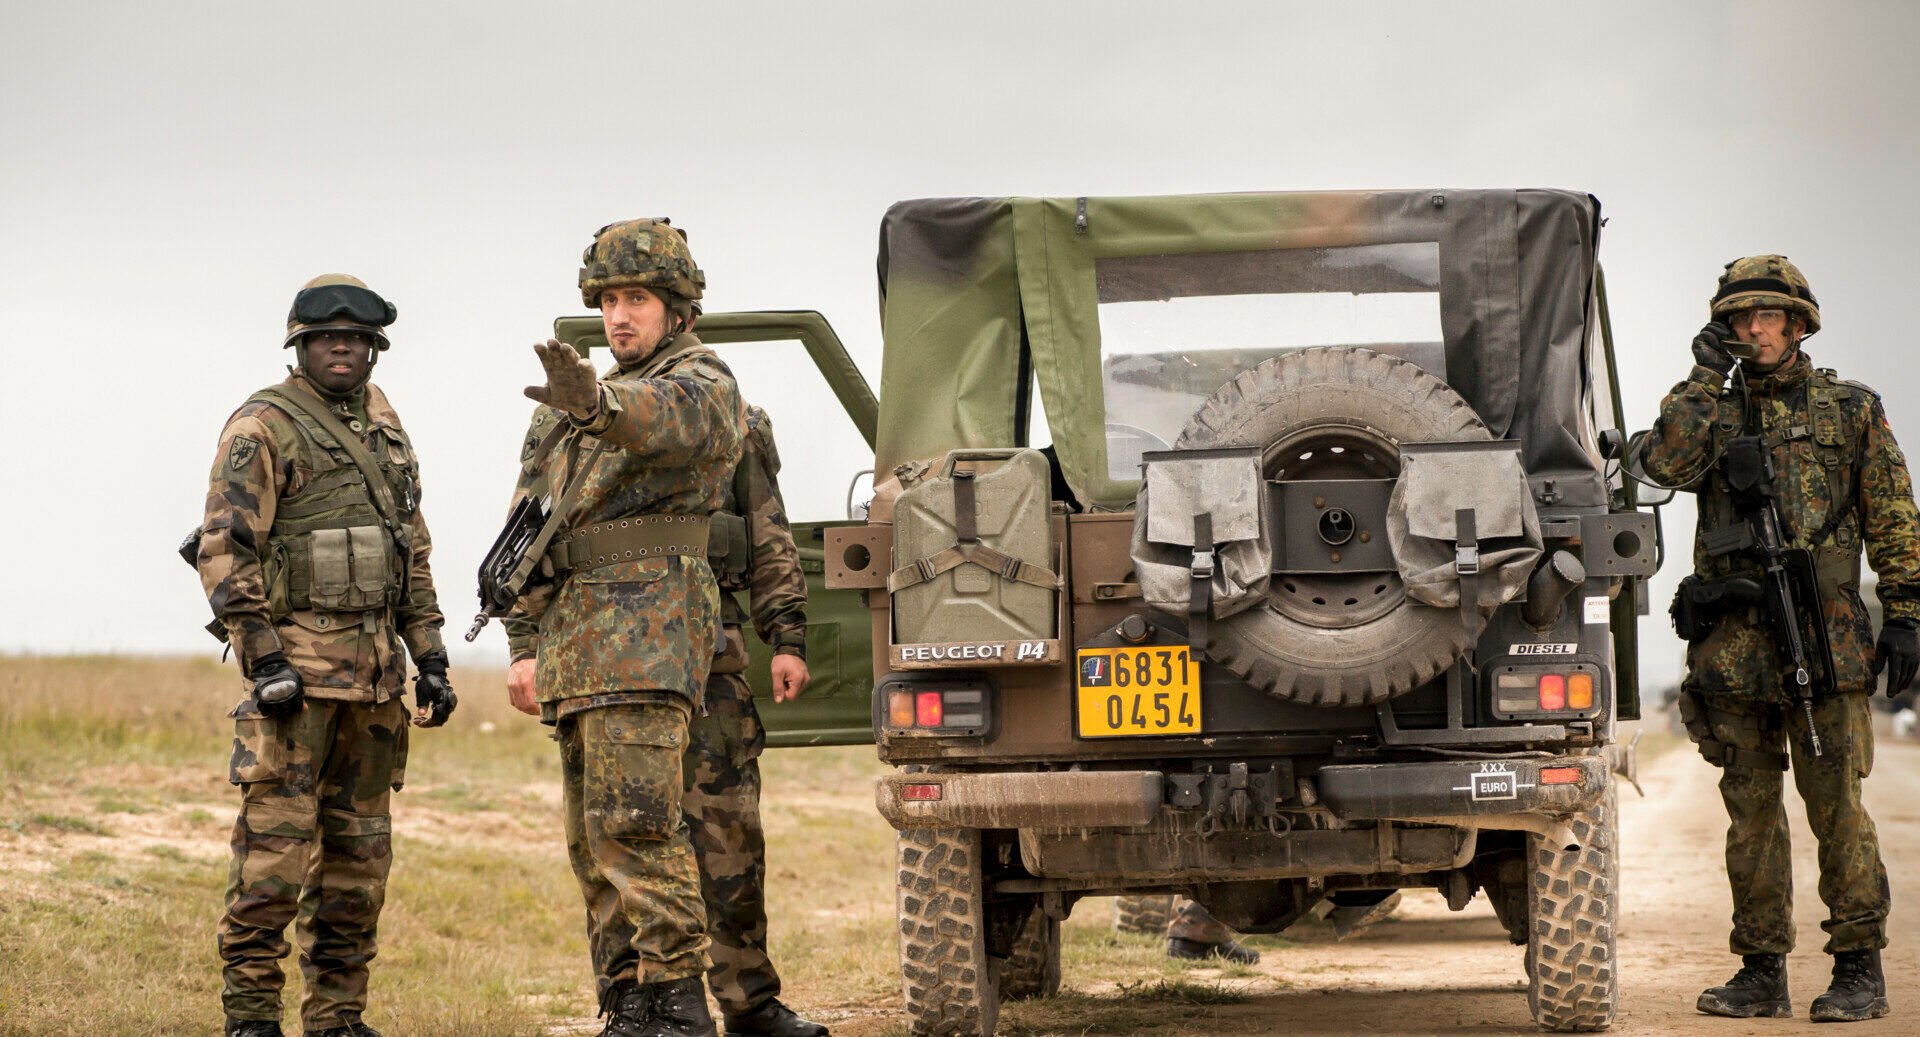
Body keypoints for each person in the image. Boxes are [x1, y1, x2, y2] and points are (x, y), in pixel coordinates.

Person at [1639, 255, 1917, 1023]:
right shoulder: (1711, 411)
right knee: (1752, 816)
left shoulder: (1850, 408)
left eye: (1765, 315)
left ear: (1798, 324)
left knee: (1838, 810)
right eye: (1738, 316)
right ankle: (1762, 969)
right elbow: (1660, 464)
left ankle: (1858, 969)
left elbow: (1894, 513)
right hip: (1734, 653)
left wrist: (1906, 611)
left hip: (1826, 643)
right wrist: (1703, 379)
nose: (1751, 327)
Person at [197, 274, 456, 1037]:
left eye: (355, 339)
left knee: (357, 870)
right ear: (300, 346)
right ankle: (251, 1020)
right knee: (271, 867)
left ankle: (338, 1018)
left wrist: (432, 657)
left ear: (374, 348)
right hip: (297, 690)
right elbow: (225, 549)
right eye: (325, 339)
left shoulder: (386, 428)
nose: (341, 349)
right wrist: (264, 660)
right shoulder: (262, 426)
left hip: (374, 690)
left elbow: (411, 553)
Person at [503, 218, 745, 1037]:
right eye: (607, 300)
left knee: (637, 828)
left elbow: (662, 417)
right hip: (576, 641)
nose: (618, 316)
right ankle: (629, 1003)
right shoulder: (568, 408)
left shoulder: (700, 381)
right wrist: (522, 642)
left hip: (647, 632)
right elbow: (525, 527)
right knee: (592, 843)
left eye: (636, 298)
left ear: (676, 307)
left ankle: (678, 1004)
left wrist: (598, 404)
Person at [683, 403, 830, 1037]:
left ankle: (748, 1004)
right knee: (624, 851)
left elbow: (769, 538)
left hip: (709, 670)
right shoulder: (586, 416)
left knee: (730, 850)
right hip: (614, 675)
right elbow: (537, 532)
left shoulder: (728, 419)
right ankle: (649, 1005)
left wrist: (788, 637)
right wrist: (524, 645)